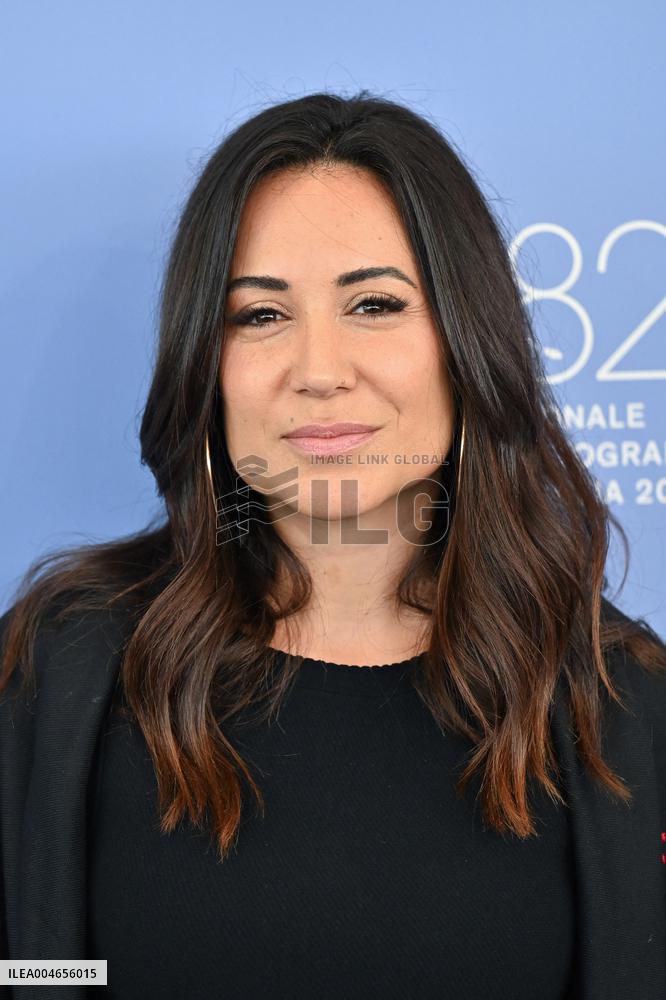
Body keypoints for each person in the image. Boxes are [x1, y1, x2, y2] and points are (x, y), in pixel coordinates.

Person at [1, 90, 665, 1000]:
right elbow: (32, 964)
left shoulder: (617, 698)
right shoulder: (63, 668)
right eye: (261, 315)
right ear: (207, 362)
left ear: (468, 342)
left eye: (376, 304)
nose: (318, 371)